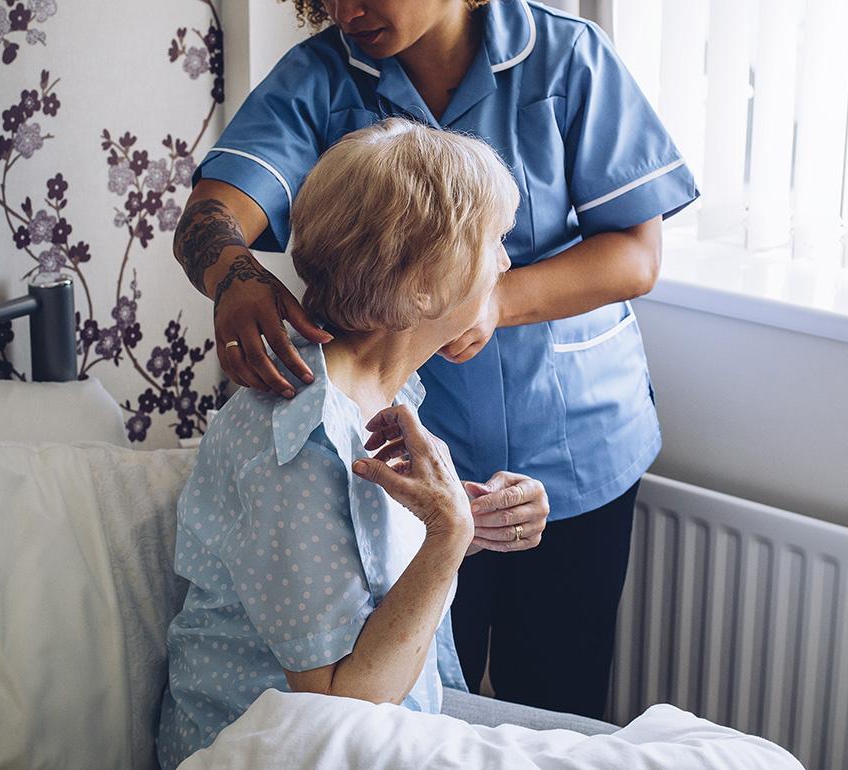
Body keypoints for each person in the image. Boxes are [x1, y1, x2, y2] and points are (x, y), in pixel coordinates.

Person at [172, 0, 699, 721]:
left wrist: (494, 298)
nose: (344, 10)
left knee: (558, 699)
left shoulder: (568, 56)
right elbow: (213, 214)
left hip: (572, 440)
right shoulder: (311, 446)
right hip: (409, 463)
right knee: (422, 676)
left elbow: (636, 253)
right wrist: (232, 273)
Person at [158, 119, 626, 769]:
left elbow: (361, 554)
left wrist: (468, 513)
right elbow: (340, 705)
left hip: (394, 716)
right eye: (492, 242)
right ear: (422, 287)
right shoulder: (297, 448)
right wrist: (448, 535)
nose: (506, 262)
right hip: (277, 749)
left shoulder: (383, 390)